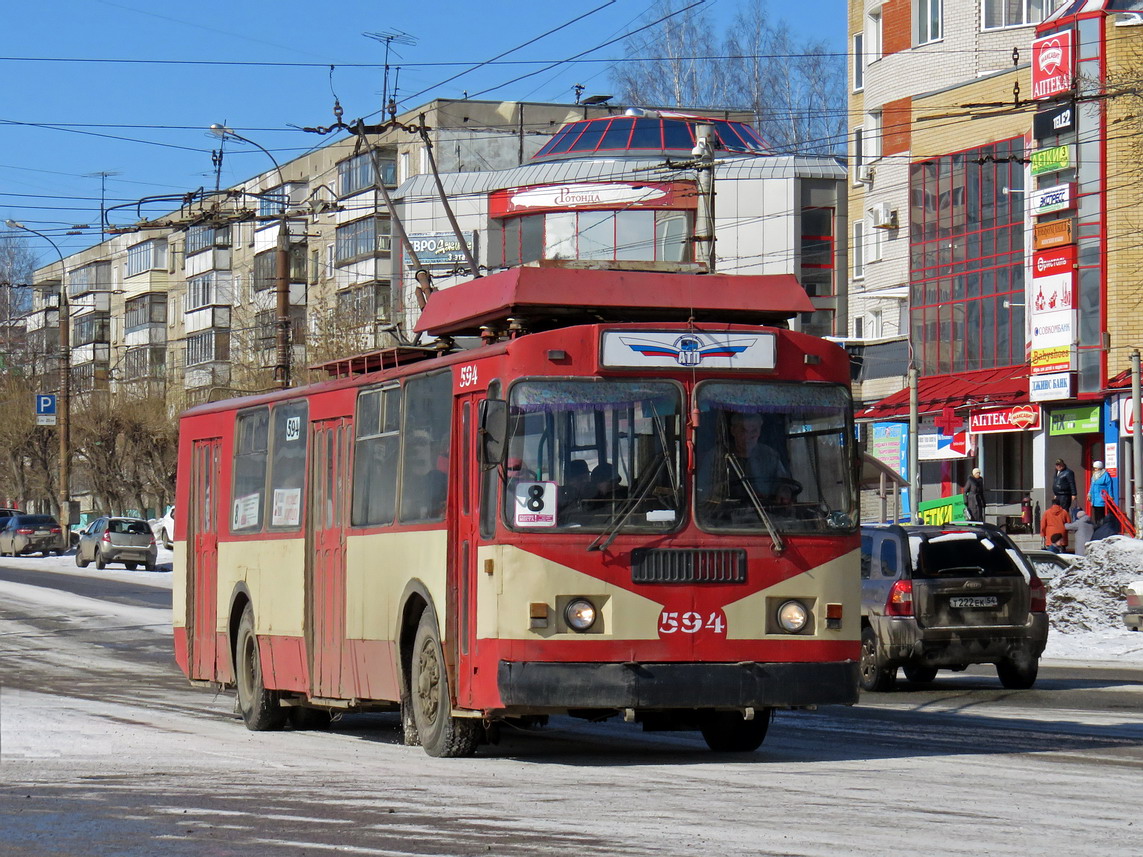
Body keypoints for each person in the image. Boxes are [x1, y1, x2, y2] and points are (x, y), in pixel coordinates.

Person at [1088, 460, 1112, 526]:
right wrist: (1089, 494)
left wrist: (1110, 496)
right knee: (1096, 515)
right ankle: (1097, 527)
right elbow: (1092, 486)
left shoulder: (1105, 475)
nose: (1095, 469)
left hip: (1102, 498)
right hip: (1095, 499)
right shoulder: (1094, 475)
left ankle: (1102, 527)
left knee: (1101, 515)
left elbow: (1109, 486)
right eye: (1094, 468)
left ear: (1099, 468)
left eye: (1096, 468)